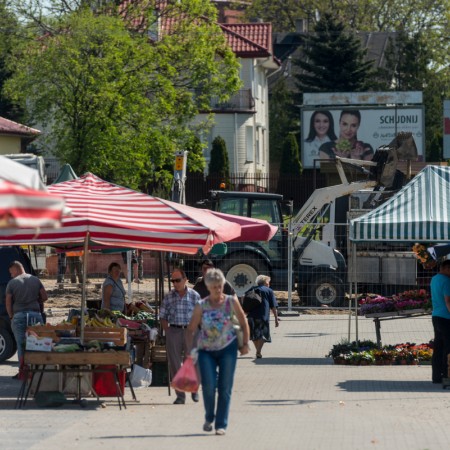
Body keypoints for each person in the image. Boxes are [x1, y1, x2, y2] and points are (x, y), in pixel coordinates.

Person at [187, 268, 249, 435]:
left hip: (228, 348)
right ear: (208, 287)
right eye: (214, 287)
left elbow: (243, 322)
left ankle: (221, 423)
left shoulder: (230, 302)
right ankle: (209, 417)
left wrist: (245, 344)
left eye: (220, 286)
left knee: (225, 387)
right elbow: (191, 329)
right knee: (208, 386)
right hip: (206, 350)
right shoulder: (201, 305)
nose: (217, 290)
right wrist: (190, 350)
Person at [160, 268, 201, 404]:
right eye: (173, 281)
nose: (175, 283)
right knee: (175, 364)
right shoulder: (168, 297)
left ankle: (194, 389)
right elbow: (163, 316)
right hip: (175, 331)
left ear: (185, 280)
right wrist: (168, 330)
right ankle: (180, 395)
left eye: (178, 280)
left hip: (191, 331)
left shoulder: (195, 295)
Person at [5, 261, 47, 379]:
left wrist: (11, 316)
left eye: (11, 272)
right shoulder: (35, 279)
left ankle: (23, 372)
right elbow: (45, 297)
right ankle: (38, 371)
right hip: (35, 315)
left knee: (21, 345)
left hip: (19, 316)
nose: (11, 275)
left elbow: (8, 302)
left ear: (16, 269)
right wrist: (35, 302)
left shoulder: (12, 283)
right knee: (37, 343)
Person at [246, 275, 279, 359]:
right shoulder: (269, 291)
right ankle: (258, 351)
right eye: (268, 282)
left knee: (254, 335)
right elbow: (273, 307)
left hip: (251, 316)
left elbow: (244, 299)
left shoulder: (251, 289)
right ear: (265, 283)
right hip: (263, 316)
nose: (269, 284)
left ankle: (258, 350)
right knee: (263, 334)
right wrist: (276, 318)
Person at [430, 260, 450, 384]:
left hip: (436, 316)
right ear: (447, 268)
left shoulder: (434, 279)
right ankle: (446, 375)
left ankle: (436, 377)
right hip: (446, 317)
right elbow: (448, 301)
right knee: (448, 347)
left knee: (438, 347)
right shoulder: (447, 281)